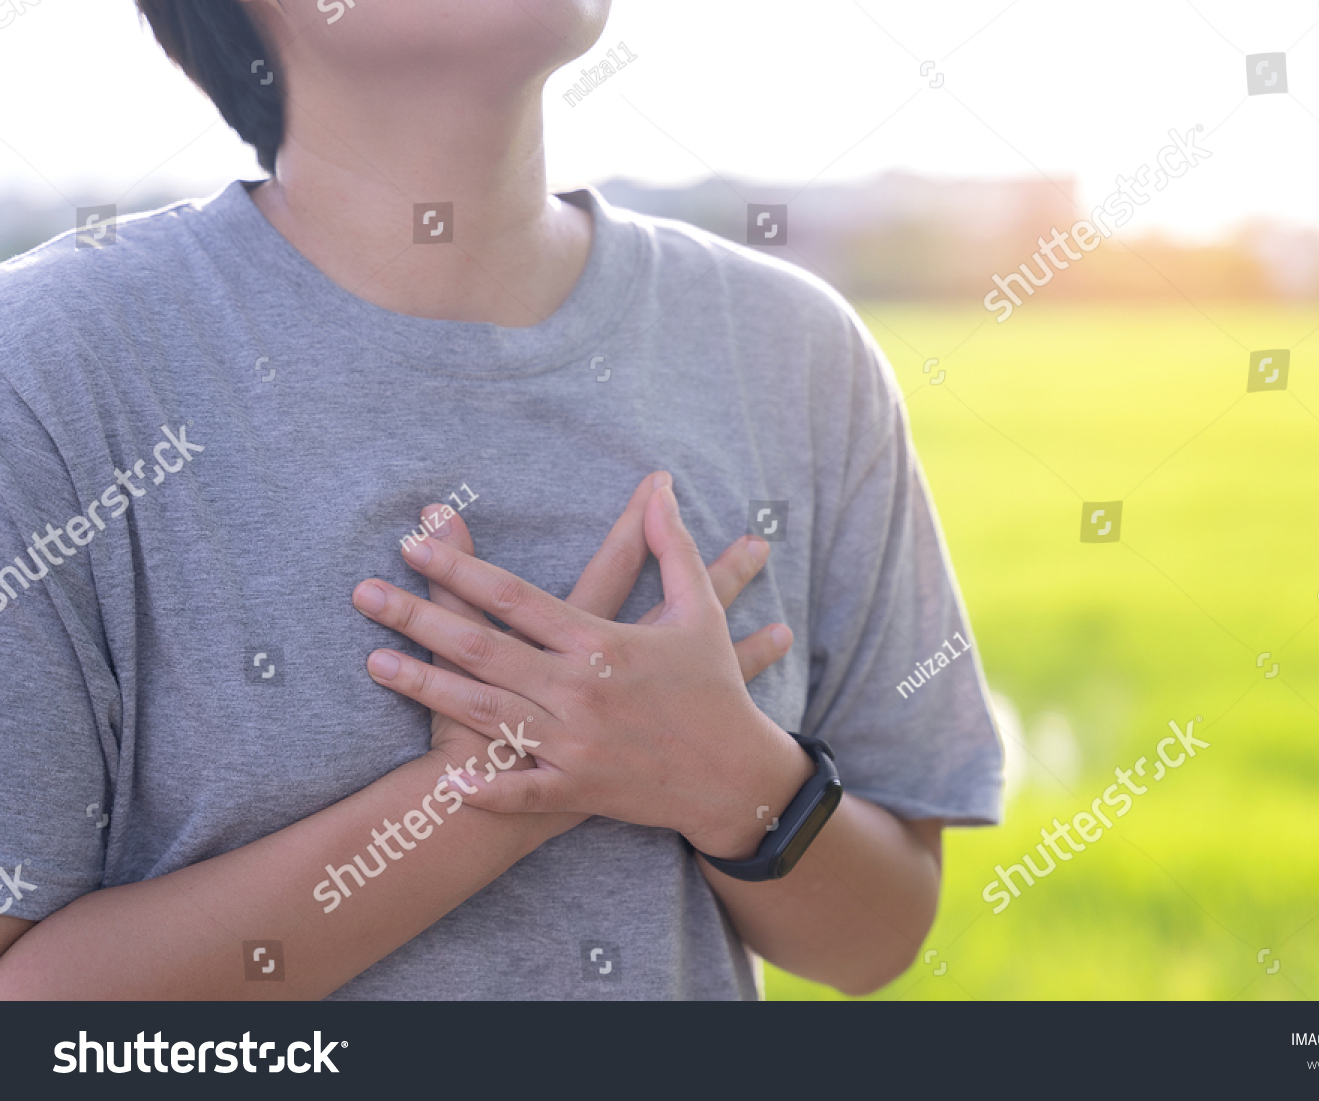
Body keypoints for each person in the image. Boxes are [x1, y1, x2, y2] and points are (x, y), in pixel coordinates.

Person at [0, 0, 1001, 999]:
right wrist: (477, 801)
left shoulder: (793, 351)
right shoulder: (47, 368)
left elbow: (879, 938)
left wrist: (738, 779)